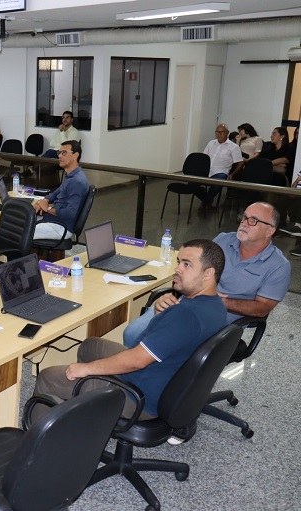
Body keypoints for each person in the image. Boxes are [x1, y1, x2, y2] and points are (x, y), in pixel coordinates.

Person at [34, 239, 228, 422]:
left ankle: (39, 443)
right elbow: (171, 337)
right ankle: (84, 411)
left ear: (208, 273)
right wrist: (160, 312)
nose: (177, 268)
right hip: (166, 377)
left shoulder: (185, 315)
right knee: (89, 346)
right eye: (179, 262)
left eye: (187, 264)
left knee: (48, 377)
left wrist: (86, 369)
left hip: (139, 396)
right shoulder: (215, 305)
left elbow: (137, 360)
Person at [125, 202, 290, 346]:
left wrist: (220, 301)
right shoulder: (223, 240)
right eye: (244, 217)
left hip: (222, 319)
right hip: (189, 302)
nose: (244, 223)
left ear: (270, 230)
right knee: (132, 334)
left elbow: (262, 309)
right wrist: (174, 294)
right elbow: (195, 272)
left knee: (160, 343)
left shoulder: (278, 266)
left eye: (253, 220)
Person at [31, 140, 89, 241]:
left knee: (20, 230)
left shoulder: (77, 181)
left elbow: (70, 214)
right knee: (21, 218)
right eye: (59, 153)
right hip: (54, 220)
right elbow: (55, 194)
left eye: (64, 153)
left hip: (61, 227)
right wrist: (45, 201)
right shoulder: (71, 175)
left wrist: (47, 208)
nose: (60, 156)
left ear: (75, 155)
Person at [196, 123, 242, 209]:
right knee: (191, 183)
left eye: (222, 132)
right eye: (217, 132)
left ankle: (205, 202)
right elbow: (204, 157)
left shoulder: (233, 147)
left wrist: (232, 174)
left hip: (220, 172)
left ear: (227, 133)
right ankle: (207, 200)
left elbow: (240, 162)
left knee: (218, 182)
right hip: (207, 170)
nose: (219, 134)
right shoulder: (211, 143)